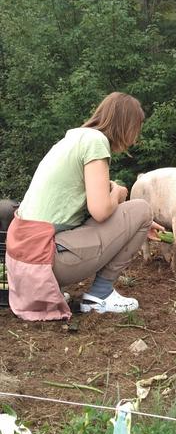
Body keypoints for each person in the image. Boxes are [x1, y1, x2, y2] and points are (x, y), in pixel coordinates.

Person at [6, 92, 163, 321]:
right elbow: (100, 211)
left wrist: (135, 224)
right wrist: (120, 194)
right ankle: (101, 295)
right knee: (142, 209)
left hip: (23, 262)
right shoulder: (96, 143)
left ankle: (61, 291)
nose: (136, 138)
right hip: (45, 260)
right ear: (125, 124)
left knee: (138, 215)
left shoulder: (72, 140)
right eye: (136, 128)